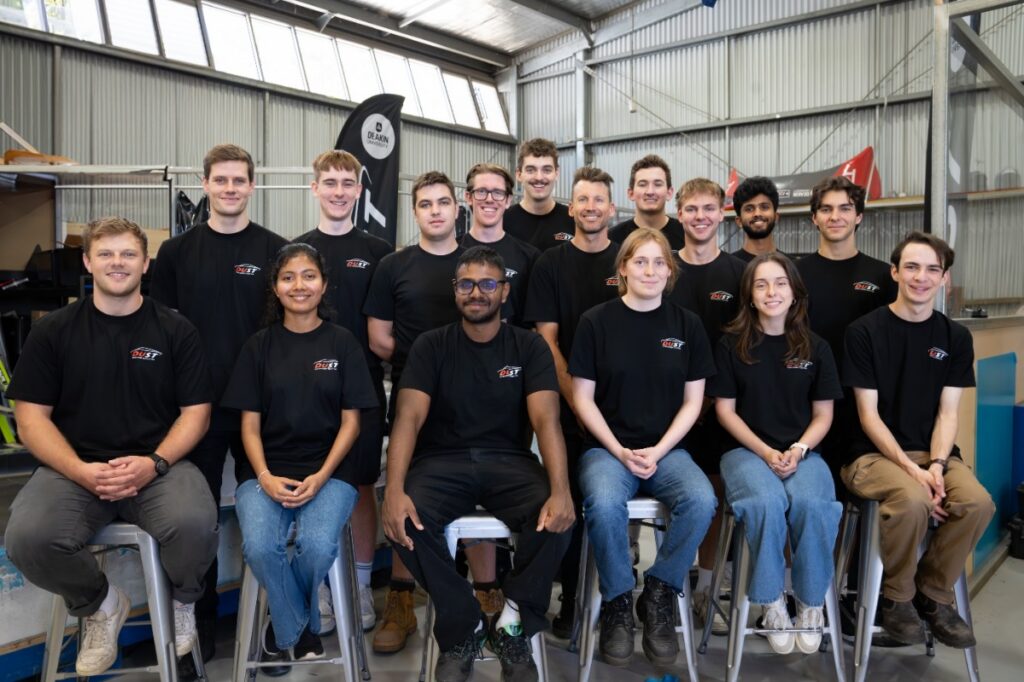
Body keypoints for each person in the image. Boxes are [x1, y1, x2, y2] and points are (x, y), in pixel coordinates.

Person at [4, 217, 218, 676]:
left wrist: (155, 462)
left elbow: (196, 414)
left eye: (127, 254)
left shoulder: (176, 331)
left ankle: (183, 602)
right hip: (74, 469)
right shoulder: (53, 332)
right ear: (87, 261)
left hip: (159, 466)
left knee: (195, 522)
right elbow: (30, 420)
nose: (116, 263)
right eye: (105, 253)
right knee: (28, 538)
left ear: (145, 263)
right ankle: (100, 603)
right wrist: (80, 470)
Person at [382, 246, 575, 682]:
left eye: (488, 283)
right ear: (455, 291)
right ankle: (462, 625)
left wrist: (561, 489)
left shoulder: (528, 347)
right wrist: (393, 491)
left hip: (509, 462)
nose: (477, 293)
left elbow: (547, 420)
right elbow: (408, 419)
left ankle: (511, 623)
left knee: (558, 516)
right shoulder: (431, 346)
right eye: (467, 284)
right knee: (404, 521)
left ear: (504, 291)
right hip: (440, 463)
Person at [150, 143, 288, 669]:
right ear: (205, 184)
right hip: (195, 411)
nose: (230, 188)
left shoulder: (277, 251)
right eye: (221, 180)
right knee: (195, 521)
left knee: (275, 517)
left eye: (239, 180)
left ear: (252, 187)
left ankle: (281, 623)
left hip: (262, 409)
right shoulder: (176, 254)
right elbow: (157, 333)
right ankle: (195, 626)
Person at [222, 243, 378, 664]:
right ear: (275, 287)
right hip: (263, 474)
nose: (299, 285)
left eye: (308, 275)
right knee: (258, 547)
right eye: (288, 277)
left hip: (331, 474)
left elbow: (352, 423)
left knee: (315, 545)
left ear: (323, 284)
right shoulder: (258, 346)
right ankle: (303, 626)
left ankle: (283, 625)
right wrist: (265, 476)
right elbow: (248, 426)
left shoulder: (343, 343)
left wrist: (323, 475)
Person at [363, 171, 498, 653]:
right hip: (414, 397)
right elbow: (380, 337)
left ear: (457, 208)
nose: (436, 210)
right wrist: (429, 363)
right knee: (408, 497)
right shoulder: (394, 266)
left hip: (480, 398)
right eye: (425, 204)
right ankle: (401, 600)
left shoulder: (479, 264)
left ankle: (487, 596)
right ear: (415, 210)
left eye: (443, 202)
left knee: (481, 494)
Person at [570, 228, 716, 666]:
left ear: (670, 272)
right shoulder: (595, 321)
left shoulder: (686, 324)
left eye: (658, 263)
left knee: (702, 499)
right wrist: (618, 450)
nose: (649, 270)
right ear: (623, 270)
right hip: (607, 451)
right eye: (640, 261)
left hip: (667, 451)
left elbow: (695, 402)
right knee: (603, 502)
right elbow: (582, 398)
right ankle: (617, 601)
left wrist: (658, 449)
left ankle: (658, 592)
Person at [841, 231, 995, 649]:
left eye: (932, 269)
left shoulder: (956, 338)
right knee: (911, 500)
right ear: (895, 272)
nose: (920, 277)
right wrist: (914, 471)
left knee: (978, 503)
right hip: (871, 456)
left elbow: (948, 413)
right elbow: (868, 416)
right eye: (911, 267)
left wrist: (937, 467)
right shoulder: (863, 332)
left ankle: (933, 593)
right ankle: (897, 598)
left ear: (944, 279)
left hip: (934, 456)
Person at [709, 253, 843, 655]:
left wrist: (799, 449)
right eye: (762, 284)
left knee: (815, 504)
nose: (772, 292)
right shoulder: (731, 345)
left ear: (794, 291)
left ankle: (810, 601)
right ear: (749, 295)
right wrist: (767, 451)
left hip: (802, 454)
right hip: (745, 452)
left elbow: (823, 414)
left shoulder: (816, 347)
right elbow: (724, 411)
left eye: (780, 283)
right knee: (765, 502)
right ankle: (770, 603)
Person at [294, 150, 394, 632]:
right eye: (328, 182)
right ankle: (318, 586)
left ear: (358, 191)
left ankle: (355, 586)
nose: (337, 191)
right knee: (307, 486)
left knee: (357, 489)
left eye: (346, 183)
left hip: (363, 392)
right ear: (315, 188)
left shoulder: (379, 253)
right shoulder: (294, 252)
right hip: (302, 395)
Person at [523, 165, 621, 637]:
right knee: (567, 505)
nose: (590, 208)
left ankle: (616, 598)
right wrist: (580, 404)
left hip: (623, 415)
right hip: (566, 411)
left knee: (607, 507)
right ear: (572, 207)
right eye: (581, 200)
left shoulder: (629, 262)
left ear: (611, 208)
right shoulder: (550, 265)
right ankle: (572, 599)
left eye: (598, 200)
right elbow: (546, 340)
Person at [668, 178, 747, 633]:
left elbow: (746, 344)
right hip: (668, 410)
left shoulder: (738, 273)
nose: (700, 216)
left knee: (713, 498)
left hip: (720, 407)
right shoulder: (663, 268)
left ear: (722, 214)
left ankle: (705, 592)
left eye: (708, 209)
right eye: (691, 209)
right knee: (668, 497)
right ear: (679, 214)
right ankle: (666, 587)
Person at [796, 176, 897, 472]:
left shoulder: (882, 276)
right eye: (826, 209)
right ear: (815, 218)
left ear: (859, 216)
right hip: (806, 399)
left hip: (862, 401)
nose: (835, 216)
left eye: (845, 208)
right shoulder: (795, 274)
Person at [460, 163, 540, 327]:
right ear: (469, 197)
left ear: (508, 200)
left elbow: (535, 325)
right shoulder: (451, 250)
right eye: (481, 191)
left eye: (497, 193)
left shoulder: (530, 257)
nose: (489, 199)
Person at [504, 138, 576, 251]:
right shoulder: (503, 221)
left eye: (547, 170)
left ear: (557, 173)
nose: (539, 178)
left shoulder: (573, 220)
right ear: (518, 174)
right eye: (530, 170)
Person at [608, 154, 685, 251]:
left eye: (657, 184)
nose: (650, 191)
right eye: (642, 184)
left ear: (669, 193)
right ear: (631, 193)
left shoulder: (686, 235)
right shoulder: (613, 239)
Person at [731, 176, 785, 263]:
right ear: (739, 221)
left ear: (776, 217)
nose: (757, 213)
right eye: (749, 209)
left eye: (764, 207)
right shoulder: (728, 267)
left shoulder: (793, 266)